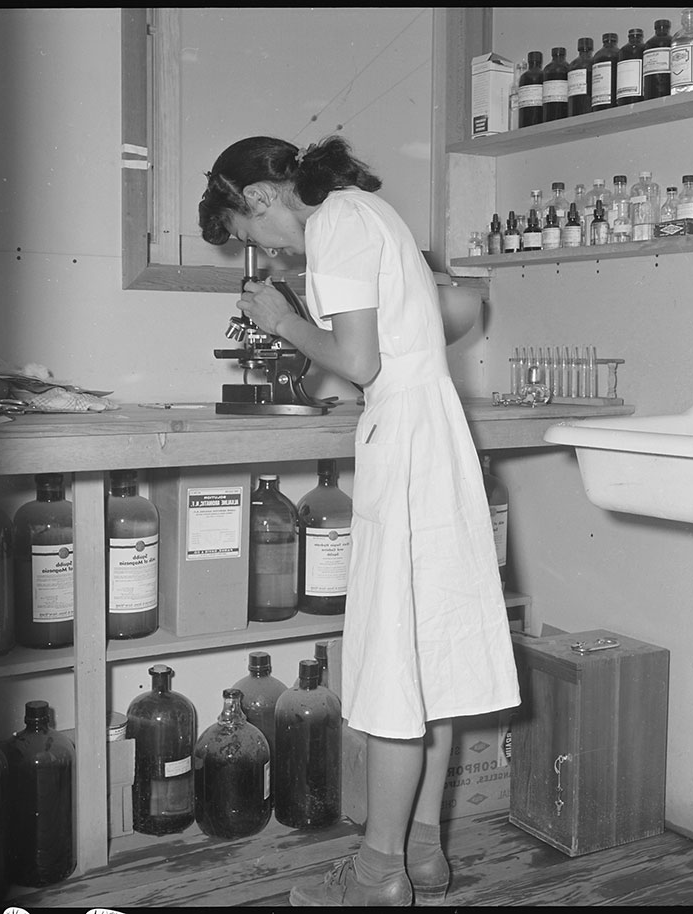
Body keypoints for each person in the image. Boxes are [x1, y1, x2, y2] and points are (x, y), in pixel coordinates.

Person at [199, 135, 520, 907]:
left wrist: (281, 317)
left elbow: (362, 361)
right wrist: (300, 305)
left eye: (251, 232)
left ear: (264, 198)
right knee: (427, 658)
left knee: (390, 673)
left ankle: (378, 877)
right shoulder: (365, 211)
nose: (263, 249)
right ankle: (423, 851)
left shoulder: (336, 222)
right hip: (432, 437)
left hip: (405, 443)